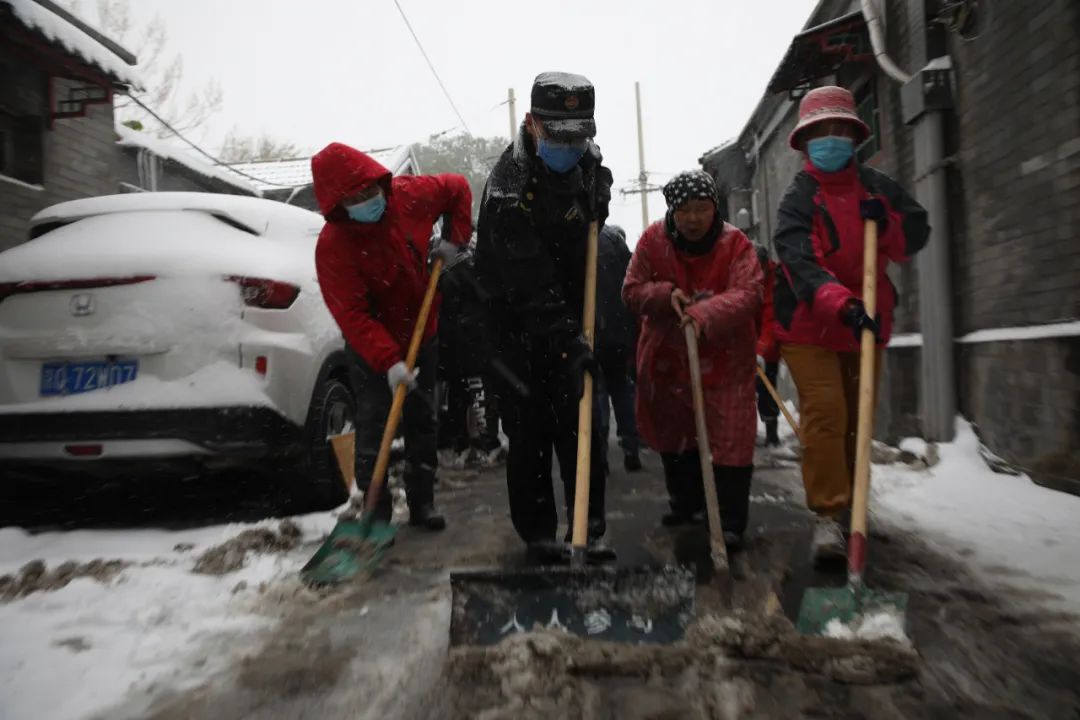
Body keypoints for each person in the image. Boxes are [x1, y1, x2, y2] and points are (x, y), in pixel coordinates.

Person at [772, 86, 929, 563]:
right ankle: (827, 516)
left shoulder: (879, 187)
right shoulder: (799, 198)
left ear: (855, 136)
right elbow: (801, 261)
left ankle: (853, 512)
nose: (833, 139)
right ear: (806, 140)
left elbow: (912, 235)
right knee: (826, 414)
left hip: (866, 322)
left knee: (857, 423)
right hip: (808, 323)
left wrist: (888, 223)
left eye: (841, 130)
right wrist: (841, 305)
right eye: (823, 132)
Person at [475, 71, 613, 556]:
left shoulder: (587, 159)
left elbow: (597, 173)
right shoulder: (507, 191)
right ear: (532, 125)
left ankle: (588, 529)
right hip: (514, 326)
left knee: (583, 425)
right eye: (558, 136)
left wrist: (601, 195)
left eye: (580, 136)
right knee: (530, 430)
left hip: (572, 315)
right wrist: (569, 343)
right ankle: (539, 538)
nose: (570, 146)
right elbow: (529, 285)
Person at [312, 142, 472, 531]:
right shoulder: (334, 247)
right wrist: (389, 361)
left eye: (371, 191)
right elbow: (352, 314)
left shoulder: (409, 195)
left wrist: (454, 240)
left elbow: (458, 187)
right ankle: (376, 513)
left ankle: (423, 503)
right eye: (357, 199)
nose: (369, 201)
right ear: (338, 205)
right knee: (375, 424)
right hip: (373, 347)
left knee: (422, 420)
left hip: (423, 329)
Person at [622, 170, 762, 548]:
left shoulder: (736, 244)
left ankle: (730, 519)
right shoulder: (652, 241)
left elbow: (749, 293)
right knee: (676, 434)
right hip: (668, 354)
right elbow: (632, 290)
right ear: (673, 211)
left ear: (715, 208)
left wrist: (705, 312)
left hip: (726, 356)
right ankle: (685, 503)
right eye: (685, 210)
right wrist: (666, 295)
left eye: (702, 209)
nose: (694, 219)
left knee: (731, 434)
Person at [436, 244, 504, 466]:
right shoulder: (473, 270)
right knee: (479, 394)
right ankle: (486, 444)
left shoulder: (446, 276)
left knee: (461, 398)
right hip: (475, 348)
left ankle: (465, 445)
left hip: (459, 351)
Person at [594, 224, 642, 473]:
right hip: (618, 331)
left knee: (598, 389)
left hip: (592, 330)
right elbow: (632, 284)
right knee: (621, 387)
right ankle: (630, 445)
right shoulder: (616, 243)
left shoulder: (581, 238)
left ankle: (599, 449)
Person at [755, 244, 782, 448]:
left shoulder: (776, 281)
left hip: (769, 344)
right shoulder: (741, 276)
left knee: (767, 386)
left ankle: (772, 433)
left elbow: (770, 318)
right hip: (747, 340)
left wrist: (762, 351)